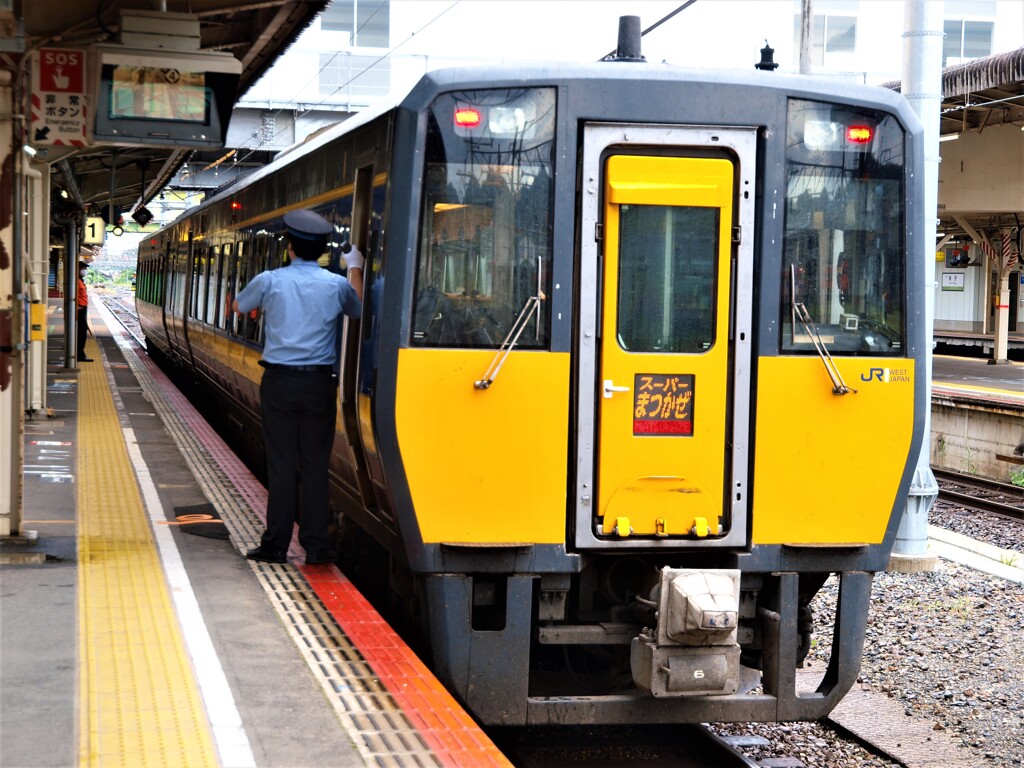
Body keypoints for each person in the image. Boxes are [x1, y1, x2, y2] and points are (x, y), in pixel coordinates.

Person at [233, 209, 364, 565]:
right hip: (319, 384)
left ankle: (275, 545)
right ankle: (317, 546)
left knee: (281, 464)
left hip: (280, 382)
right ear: (323, 250)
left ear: (289, 247)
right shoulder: (336, 284)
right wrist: (354, 267)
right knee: (315, 466)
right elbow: (356, 308)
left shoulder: (269, 280)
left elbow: (238, 306)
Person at [76, 258, 93, 362]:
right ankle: (79, 355)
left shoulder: (80, 280)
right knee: (81, 333)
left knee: (82, 332)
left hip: (82, 309)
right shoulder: (76, 281)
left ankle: (80, 353)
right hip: (79, 309)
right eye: (83, 268)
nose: (84, 271)